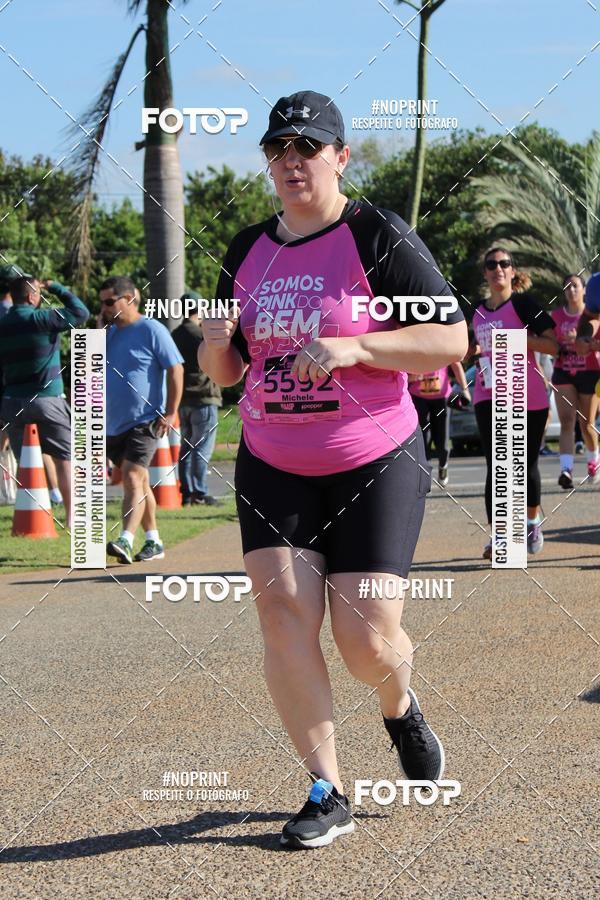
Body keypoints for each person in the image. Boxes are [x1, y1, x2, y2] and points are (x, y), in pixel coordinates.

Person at [199, 90, 467, 849]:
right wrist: (214, 343)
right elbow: (227, 372)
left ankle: (400, 708)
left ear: (340, 158)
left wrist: (358, 347)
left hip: (373, 456)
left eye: (307, 149)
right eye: (278, 150)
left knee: (365, 639)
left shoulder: (378, 235)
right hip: (273, 460)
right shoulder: (247, 249)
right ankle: (327, 790)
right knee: (283, 615)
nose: (291, 162)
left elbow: (451, 341)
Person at [470, 248, 558, 559]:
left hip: (526, 395)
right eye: (491, 264)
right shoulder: (477, 311)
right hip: (488, 394)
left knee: (524, 465)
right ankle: (500, 537)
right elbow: (471, 347)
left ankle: (531, 522)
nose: (498, 268)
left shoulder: (523, 304)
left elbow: (553, 346)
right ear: (485, 272)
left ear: (512, 270)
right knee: (497, 466)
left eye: (504, 263)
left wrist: (516, 338)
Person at [103, 276, 183, 563]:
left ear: (129, 299)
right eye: (102, 303)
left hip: (147, 419)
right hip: (113, 423)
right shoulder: (108, 334)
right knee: (140, 482)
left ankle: (125, 539)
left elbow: (176, 369)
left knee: (133, 476)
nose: (104, 307)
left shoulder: (152, 329)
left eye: (109, 301)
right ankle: (154, 541)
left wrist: (171, 411)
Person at [0, 275, 89, 528]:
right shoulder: (43, 319)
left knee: (27, 463)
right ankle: (72, 517)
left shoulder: (3, 324)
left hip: (13, 402)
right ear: (31, 297)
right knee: (64, 458)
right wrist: (56, 287)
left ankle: (32, 519)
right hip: (48, 400)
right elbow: (81, 313)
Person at [171, 291, 223, 506]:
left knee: (186, 447)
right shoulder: (202, 335)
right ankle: (200, 492)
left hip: (184, 400)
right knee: (202, 448)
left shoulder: (175, 334)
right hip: (204, 397)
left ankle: (187, 492)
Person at [551, 274, 600, 488]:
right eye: (567, 287)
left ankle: (593, 460)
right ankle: (566, 470)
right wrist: (565, 344)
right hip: (563, 371)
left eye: (575, 286)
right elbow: (550, 342)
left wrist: (589, 343)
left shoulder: (594, 313)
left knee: (587, 423)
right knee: (566, 420)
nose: (571, 290)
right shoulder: (556, 316)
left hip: (590, 371)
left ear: (584, 290)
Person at [407, 362, 471, 486]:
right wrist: (411, 377)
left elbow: (456, 364)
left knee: (443, 440)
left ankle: (443, 465)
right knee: (423, 439)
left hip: (442, 398)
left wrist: (465, 389)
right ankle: (424, 474)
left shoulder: (444, 349)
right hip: (418, 397)